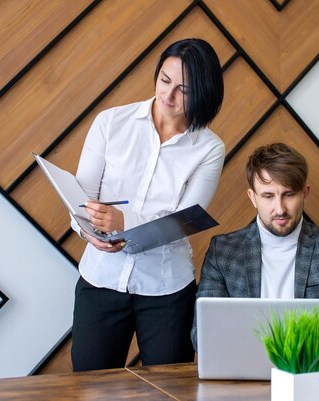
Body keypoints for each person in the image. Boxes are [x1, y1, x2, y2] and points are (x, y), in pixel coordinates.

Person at [71, 38, 225, 371]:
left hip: (166, 288)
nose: (168, 96)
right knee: (89, 387)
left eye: (183, 90)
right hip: (101, 279)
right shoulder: (111, 123)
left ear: (204, 92)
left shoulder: (209, 149)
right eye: (164, 81)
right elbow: (79, 202)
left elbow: (184, 222)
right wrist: (89, 233)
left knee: (171, 390)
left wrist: (123, 220)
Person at [191, 142, 319, 349]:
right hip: (242, 371)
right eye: (268, 196)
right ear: (253, 198)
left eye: (288, 194)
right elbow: (201, 337)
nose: (279, 209)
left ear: (305, 194)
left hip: (306, 371)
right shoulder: (224, 251)